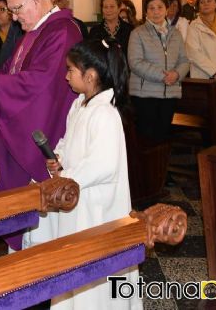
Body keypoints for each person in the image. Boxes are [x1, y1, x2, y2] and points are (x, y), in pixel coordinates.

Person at [0, 0, 82, 250]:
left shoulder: (62, 31)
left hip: (45, 130)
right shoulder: (36, 31)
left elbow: (43, 83)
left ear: (35, 0)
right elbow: (12, 68)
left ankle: (36, 269)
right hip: (28, 126)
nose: (13, 17)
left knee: (41, 228)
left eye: (16, 9)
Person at [44, 39, 141, 309]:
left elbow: (103, 164)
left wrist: (68, 174)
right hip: (77, 200)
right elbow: (67, 141)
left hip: (97, 208)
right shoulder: (79, 105)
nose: (66, 76)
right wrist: (57, 159)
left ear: (90, 75)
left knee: (97, 269)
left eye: (70, 70)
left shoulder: (106, 114)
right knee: (74, 263)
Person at [128, 0, 189, 144]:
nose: (156, 12)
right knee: (147, 139)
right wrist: (163, 76)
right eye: (151, 8)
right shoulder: (138, 33)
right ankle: (145, 168)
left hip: (170, 93)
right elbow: (135, 62)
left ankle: (160, 167)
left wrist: (176, 74)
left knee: (164, 137)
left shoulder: (176, 34)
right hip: (145, 94)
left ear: (167, 9)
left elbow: (185, 60)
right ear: (146, 12)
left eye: (160, 7)